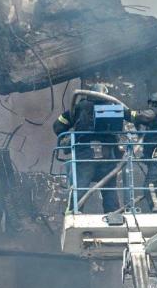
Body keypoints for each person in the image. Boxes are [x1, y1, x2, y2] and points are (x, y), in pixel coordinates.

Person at [53, 83, 125, 213]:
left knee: (80, 184)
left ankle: (75, 211)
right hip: (107, 154)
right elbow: (119, 131)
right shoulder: (112, 108)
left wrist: (65, 137)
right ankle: (113, 212)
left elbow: (58, 125)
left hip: (85, 152)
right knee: (109, 185)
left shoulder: (78, 107)